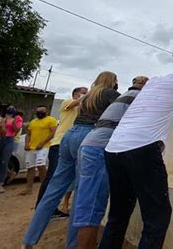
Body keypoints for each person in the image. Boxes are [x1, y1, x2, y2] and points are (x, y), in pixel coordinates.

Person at [100, 49, 173, 249]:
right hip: (141, 149)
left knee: (118, 214)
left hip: (113, 148)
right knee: (157, 216)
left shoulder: (155, 82)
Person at [22, 71, 119, 249]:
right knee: (83, 192)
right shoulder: (109, 94)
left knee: (53, 189)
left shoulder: (87, 96)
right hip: (90, 136)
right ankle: (73, 244)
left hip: (70, 136)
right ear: (112, 82)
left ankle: (29, 240)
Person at [74, 76, 148, 249]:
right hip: (99, 150)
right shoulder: (136, 98)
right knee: (91, 209)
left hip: (90, 145)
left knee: (88, 204)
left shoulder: (123, 98)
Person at [35, 87, 88, 220]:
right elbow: (76, 103)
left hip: (72, 144)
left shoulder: (83, 110)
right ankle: (43, 210)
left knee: (63, 178)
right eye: (83, 92)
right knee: (53, 177)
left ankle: (50, 209)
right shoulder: (67, 103)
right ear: (76, 94)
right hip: (59, 144)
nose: (86, 95)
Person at [19, 105, 57, 196]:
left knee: (41, 165)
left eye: (42, 111)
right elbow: (28, 134)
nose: (39, 113)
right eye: (38, 111)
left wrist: (42, 143)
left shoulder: (51, 120)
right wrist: (26, 144)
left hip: (44, 147)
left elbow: (53, 133)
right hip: (32, 147)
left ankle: (44, 186)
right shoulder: (33, 122)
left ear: (46, 112)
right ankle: (28, 188)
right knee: (30, 167)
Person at [0, 105, 23, 193]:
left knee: (4, 161)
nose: (11, 110)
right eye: (9, 108)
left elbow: (17, 130)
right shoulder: (0, 117)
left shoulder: (17, 118)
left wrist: (13, 122)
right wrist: (3, 121)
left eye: (13, 108)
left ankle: (0, 183)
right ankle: (10, 173)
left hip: (9, 140)